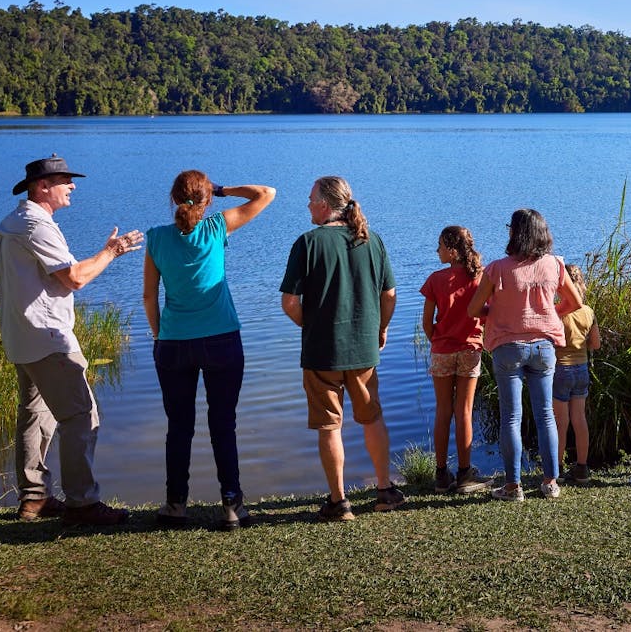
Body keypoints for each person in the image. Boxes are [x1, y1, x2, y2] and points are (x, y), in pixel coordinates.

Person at [0, 154, 143, 527]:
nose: (72, 186)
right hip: (48, 338)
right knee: (81, 416)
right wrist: (112, 251)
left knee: (34, 418)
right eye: (64, 180)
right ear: (42, 187)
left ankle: (35, 499)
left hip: (21, 337)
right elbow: (74, 277)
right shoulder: (36, 226)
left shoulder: (10, 222)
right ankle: (82, 503)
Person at [143, 171, 276, 530]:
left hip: (173, 344)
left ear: (173, 199)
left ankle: (175, 506)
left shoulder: (156, 238)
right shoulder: (217, 227)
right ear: (206, 202)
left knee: (179, 426)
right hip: (222, 341)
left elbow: (148, 296)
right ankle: (232, 506)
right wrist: (221, 190)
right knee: (223, 425)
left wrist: (160, 336)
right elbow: (267, 192)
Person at [279, 176, 406, 520]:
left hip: (322, 353)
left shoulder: (308, 243)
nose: (307, 205)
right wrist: (380, 327)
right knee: (372, 417)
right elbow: (390, 294)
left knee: (329, 425)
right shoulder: (372, 240)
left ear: (324, 205)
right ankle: (384, 489)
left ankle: (339, 502)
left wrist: (312, 325)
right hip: (364, 349)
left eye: (310, 200)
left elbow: (290, 302)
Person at [467, 208, 583, 502]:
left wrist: (497, 311)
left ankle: (513, 487)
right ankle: (550, 482)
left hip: (508, 348)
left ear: (515, 233)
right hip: (544, 347)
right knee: (545, 415)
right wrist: (548, 315)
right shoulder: (556, 265)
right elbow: (575, 301)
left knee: (511, 418)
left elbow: (473, 310)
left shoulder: (496, 269)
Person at [420, 226, 491, 494]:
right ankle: (464, 474)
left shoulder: (436, 280)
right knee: (464, 412)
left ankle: (441, 475)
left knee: (443, 410)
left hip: (442, 351)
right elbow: (487, 315)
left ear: (451, 250)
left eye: (439, 245)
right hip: (470, 350)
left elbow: (427, 322)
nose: (436, 250)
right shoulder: (481, 278)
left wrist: (437, 341)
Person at [553, 264, 600, 486]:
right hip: (582, 368)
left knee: (560, 422)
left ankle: (558, 468)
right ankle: (582, 468)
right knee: (579, 419)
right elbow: (596, 344)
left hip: (561, 368)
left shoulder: (557, 311)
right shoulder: (588, 311)